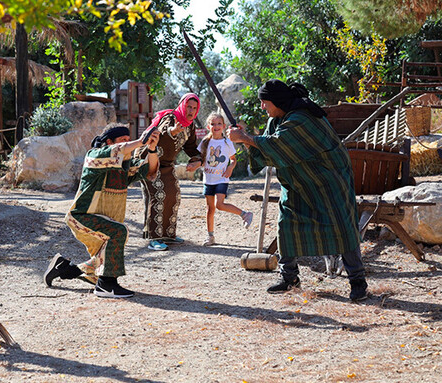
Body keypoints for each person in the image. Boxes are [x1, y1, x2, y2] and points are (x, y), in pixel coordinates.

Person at [227, 79, 368, 301]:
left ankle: (358, 281)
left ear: (277, 101)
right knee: (287, 225)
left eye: (264, 102)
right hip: (299, 184)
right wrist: (245, 140)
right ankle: (289, 277)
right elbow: (267, 150)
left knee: (342, 227)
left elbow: (277, 145)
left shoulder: (302, 118)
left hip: (328, 183)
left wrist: (245, 138)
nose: (262, 107)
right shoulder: (277, 120)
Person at [44, 123, 160, 298]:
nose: (128, 144)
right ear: (109, 142)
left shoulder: (124, 165)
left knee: (101, 265)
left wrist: (151, 149)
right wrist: (140, 141)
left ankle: (64, 269)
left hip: (104, 223)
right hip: (81, 217)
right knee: (118, 232)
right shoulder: (94, 156)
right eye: (123, 140)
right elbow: (116, 151)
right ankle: (107, 286)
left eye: (129, 140)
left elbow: (150, 170)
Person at [138, 93, 203, 251]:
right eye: (189, 107)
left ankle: (167, 234)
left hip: (166, 164)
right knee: (159, 194)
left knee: (174, 194)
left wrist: (197, 160)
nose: (191, 111)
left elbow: (191, 147)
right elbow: (156, 135)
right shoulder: (170, 117)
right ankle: (154, 238)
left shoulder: (190, 125)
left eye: (194, 108)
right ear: (182, 105)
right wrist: (171, 132)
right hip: (148, 159)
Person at [198, 112, 253, 246]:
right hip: (208, 179)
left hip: (222, 179)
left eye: (219, 124)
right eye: (213, 124)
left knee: (219, 205)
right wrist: (195, 164)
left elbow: (233, 159)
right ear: (208, 126)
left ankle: (244, 214)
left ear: (223, 126)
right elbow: (199, 158)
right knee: (210, 209)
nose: (216, 126)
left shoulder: (227, 142)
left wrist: (230, 168)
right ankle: (210, 236)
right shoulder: (205, 142)